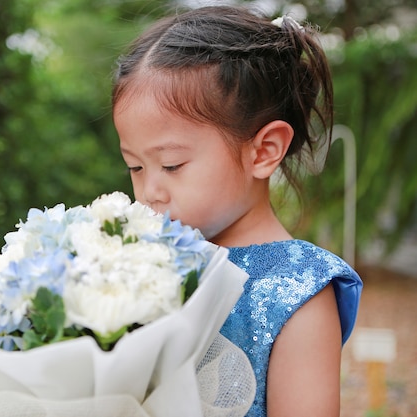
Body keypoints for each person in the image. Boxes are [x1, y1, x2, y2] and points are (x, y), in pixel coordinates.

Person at [112, 5, 363, 417]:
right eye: (135, 167)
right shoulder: (144, 260)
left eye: (172, 165)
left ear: (263, 151)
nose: (149, 191)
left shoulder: (299, 291)